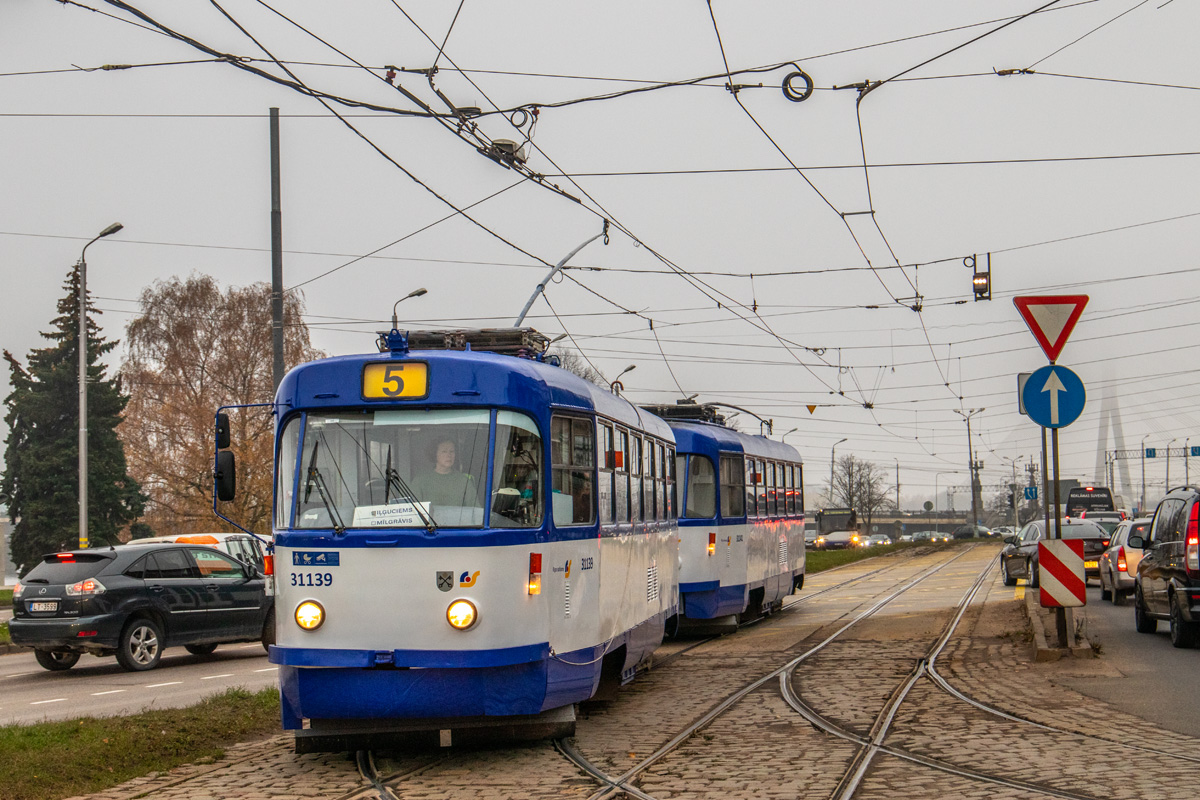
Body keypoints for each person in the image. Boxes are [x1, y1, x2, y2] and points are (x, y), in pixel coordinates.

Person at [411, 438, 477, 508]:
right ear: (434, 454)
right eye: (444, 451)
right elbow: (412, 512)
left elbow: (475, 511)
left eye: (452, 451)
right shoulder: (420, 481)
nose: (449, 455)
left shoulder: (464, 481)